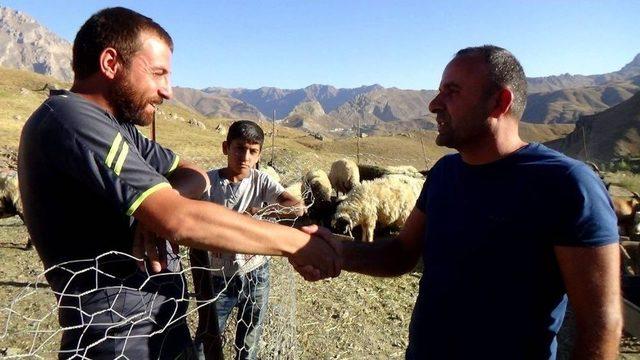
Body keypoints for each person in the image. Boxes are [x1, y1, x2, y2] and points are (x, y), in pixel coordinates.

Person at [18, 7, 337, 359]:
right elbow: (180, 220)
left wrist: (158, 203)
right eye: (158, 73)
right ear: (111, 63)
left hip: (158, 328)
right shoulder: (72, 121)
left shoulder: (117, 127)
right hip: (117, 342)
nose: (167, 91)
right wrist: (297, 244)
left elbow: (194, 174)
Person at [294, 45, 622, 359]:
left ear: (499, 102)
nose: (434, 104)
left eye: (451, 91)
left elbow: (601, 323)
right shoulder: (444, 174)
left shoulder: (568, 186)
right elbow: (400, 254)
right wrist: (336, 251)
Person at [191, 120, 305, 360]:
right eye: (239, 148)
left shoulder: (261, 181)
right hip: (218, 276)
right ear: (226, 147)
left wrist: (259, 213)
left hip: (255, 273)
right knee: (207, 336)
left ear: (259, 154)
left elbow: (296, 208)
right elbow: (190, 217)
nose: (245, 156)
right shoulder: (208, 183)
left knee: (249, 339)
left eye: (253, 151)